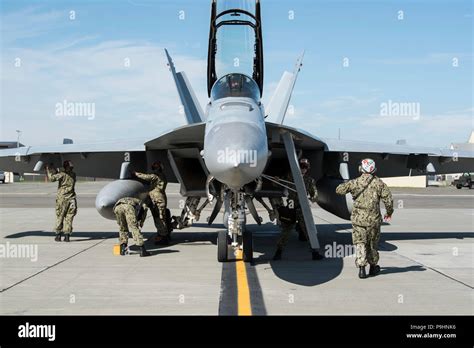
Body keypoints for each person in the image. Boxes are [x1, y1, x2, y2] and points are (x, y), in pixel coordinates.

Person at [336, 158, 394, 279]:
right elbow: (388, 201)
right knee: (373, 244)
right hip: (374, 220)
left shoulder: (355, 182)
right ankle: (373, 267)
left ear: (361, 169)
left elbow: (339, 190)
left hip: (358, 220)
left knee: (360, 243)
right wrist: (389, 213)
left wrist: (347, 185)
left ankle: (362, 269)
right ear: (374, 169)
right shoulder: (379, 183)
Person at [272, 158, 321, 261]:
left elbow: (314, 193)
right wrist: (276, 180)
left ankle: (315, 253)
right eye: (301, 166)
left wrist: (313, 198)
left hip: (303, 208)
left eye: (305, 167)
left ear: (308, 168)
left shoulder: (309, 180)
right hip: (291, 206)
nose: (303, 169)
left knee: (309, 231)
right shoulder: (290, 176)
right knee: (286, 230)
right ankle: (278, 252)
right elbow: (278, 183)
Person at [132, 162, 170, 245]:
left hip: (158, 200)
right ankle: (163, 235)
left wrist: (135, 173)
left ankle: (163, 237)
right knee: (159, 218)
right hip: (157, 199)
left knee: (159, 218)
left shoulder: (156, 176)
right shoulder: (160, 175)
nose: (155, 169)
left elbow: (147, 177)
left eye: (156, 167)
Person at [45, 160, 77, 242]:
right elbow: (61, 173)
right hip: (72, 199)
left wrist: (48, 169)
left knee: (60, 216)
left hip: (62, 199)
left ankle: (58, 235)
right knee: (69, 217)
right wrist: (56, 170)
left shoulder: (62, 175)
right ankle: (67, 236)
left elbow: (52, 178)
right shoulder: (73, 175)